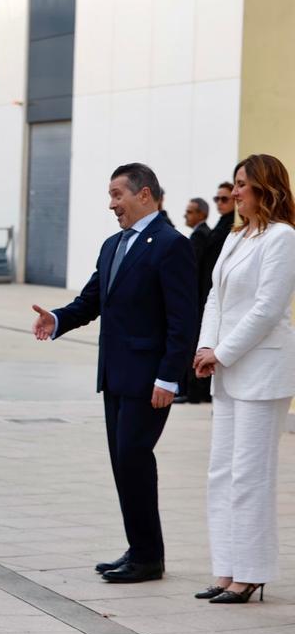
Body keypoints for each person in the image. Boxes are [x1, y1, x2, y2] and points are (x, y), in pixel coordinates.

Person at [31, 162, 197, 584]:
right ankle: (141, 548)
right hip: (116, 375)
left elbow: (183, 320)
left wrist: (169, 377)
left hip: (149, 379)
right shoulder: (113, 245)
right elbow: (91, 301)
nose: (111, 205)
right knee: (123, 464)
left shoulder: (171, 245)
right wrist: (57, 318)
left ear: (145, 195)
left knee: (134, 458)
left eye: (117, 195)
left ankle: (148, 558)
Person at [192, 154, 295, 604]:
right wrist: (204, 347)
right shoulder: (236, 237)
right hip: (228, 370)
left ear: (266, 189)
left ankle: (250, 573)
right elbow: (215, 297)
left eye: (242, 185)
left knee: (251, 475)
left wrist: (223, 351)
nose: (234, 193)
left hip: (261, 370)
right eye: (234, 184)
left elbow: (268, 308)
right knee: (222, 472)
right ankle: (226, 569)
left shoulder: (282, 238)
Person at [177, 198, 214, 403]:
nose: (186, 216)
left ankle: (189, 390)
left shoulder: (199, 236)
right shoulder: (200, 234)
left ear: (201, 214)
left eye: (190, 212)